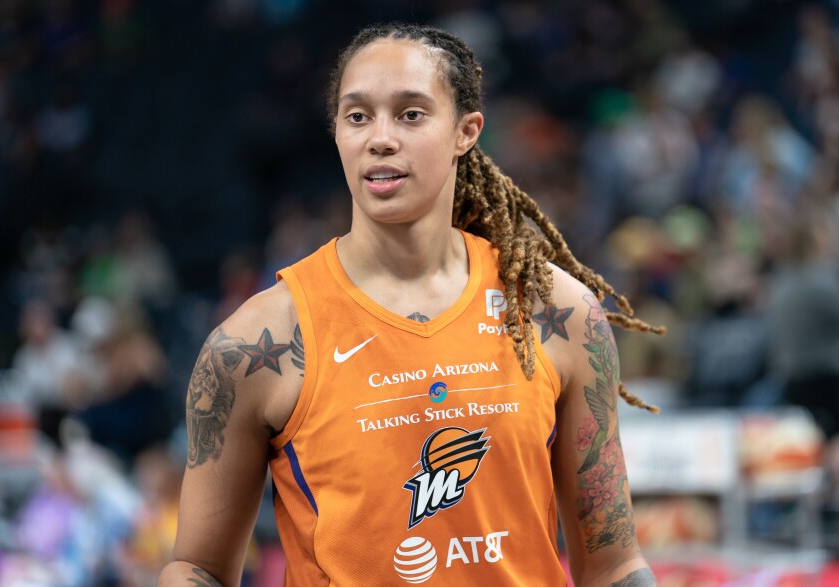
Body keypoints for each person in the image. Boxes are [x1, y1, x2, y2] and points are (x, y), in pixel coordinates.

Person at [159, 23, 661, 587]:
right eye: (357, 116)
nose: (380, 138)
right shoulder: (256, 346)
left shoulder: (557, 312)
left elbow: (614, 567)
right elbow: (197, 567)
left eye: (411, 114)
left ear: (466, 132)